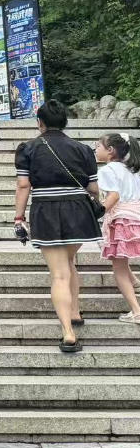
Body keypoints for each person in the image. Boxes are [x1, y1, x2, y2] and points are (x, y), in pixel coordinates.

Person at [14, 100, 102, 352]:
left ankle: (68, 333)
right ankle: (74, 311)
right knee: (69, 262)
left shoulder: (28, 149)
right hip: (79, 212)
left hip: (47, 211)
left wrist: (18, 218)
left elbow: (23, 185)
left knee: (59, 274)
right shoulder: (83, 150)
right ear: (64, 122)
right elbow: (93, 188)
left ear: (39, 122)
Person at [96, 133, 140, 323]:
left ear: (111, 151)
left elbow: (113, 196)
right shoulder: (133, 169)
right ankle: (135, 281)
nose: (96, 149)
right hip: (135, 216)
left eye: (98, 146)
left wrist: (98, 211)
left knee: (118, 267)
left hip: (121, 219)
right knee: (120, 257)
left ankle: (136, 311)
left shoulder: (108, 170)